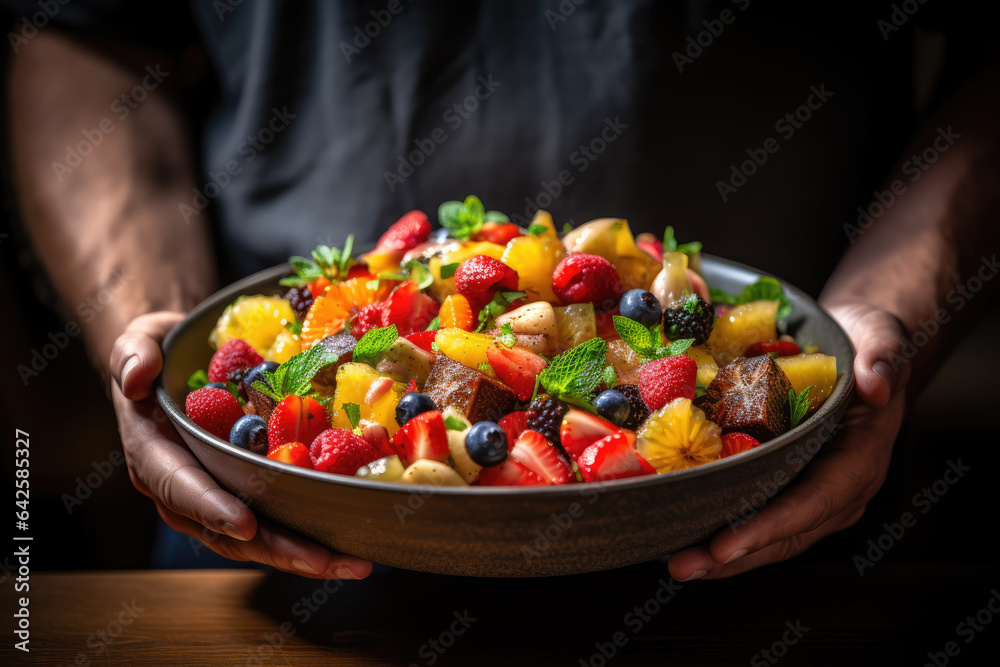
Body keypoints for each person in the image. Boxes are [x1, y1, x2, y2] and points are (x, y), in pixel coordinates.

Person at [4, 1, 998, 581]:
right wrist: (146, 323)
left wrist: (895, 309)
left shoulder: (669, 346)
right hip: (269, 544)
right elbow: (83, 30)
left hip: (788, 530)